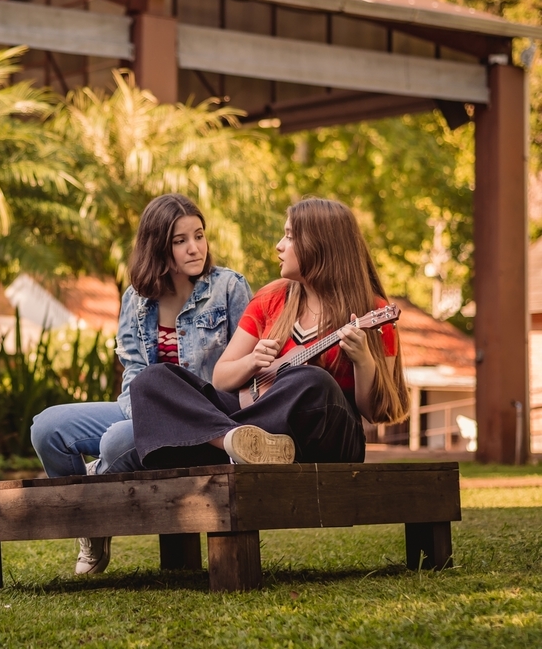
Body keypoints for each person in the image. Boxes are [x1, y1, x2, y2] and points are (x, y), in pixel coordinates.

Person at [29, 193, 251, 575]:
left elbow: (244, 368)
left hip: (199, 419)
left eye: (199, 235)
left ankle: (95, 495)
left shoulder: (228, 288)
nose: (195, 248)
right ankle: (91, 525)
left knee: (115, 441)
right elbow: (133, 369)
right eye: (180, 241)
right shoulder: (136, 299)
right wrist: (143, 415)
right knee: (47, 428)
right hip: (139, 407)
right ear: (157, 247)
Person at [128, 197, 409, 472]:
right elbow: (221, 377)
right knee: (151, 380)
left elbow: (375, 412)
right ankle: (234, 442)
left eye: (289, 237)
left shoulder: (372, 311)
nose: (279, 246)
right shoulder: (272, 297)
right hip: (260, 425)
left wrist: (363, 360)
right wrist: (252, 362)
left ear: (320, 246)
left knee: (313, 381)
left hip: (327, 436)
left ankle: (223, 441)